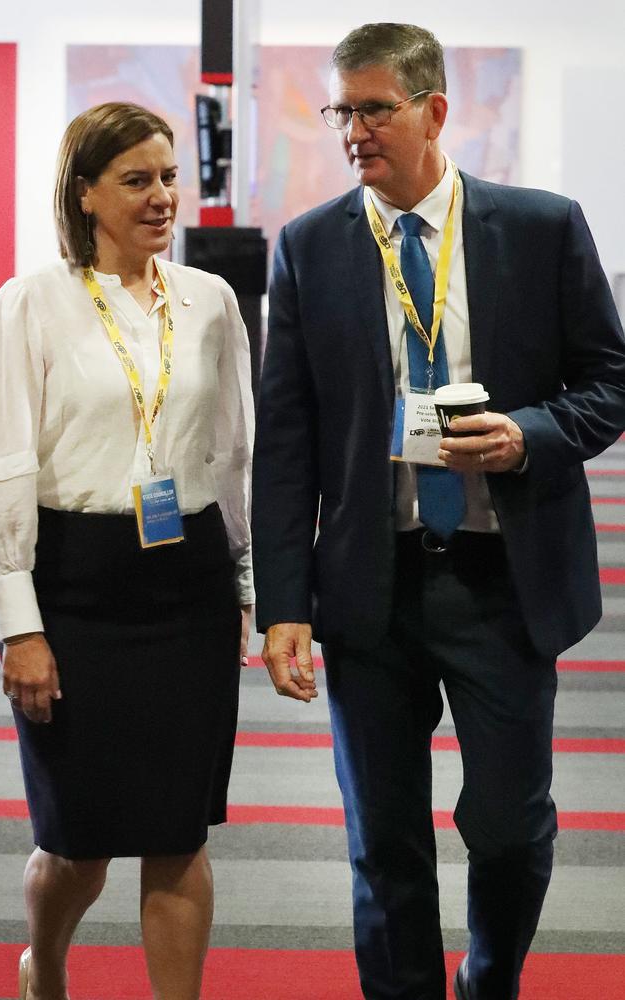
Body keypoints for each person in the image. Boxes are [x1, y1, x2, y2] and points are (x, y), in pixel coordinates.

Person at [252, 22, 625, 1000]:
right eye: (339, 109)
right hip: (368, 589)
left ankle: (486, 978)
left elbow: (609, 381)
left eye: (372, 108)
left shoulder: (541, 228)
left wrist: (527, 435)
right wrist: (281, 601)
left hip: (505, 581)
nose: (350, 130)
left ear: (433, 112)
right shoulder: (305, 248)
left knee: (508, 828)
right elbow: (285, 440)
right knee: (382, 843)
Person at [0, 102, 254, 1000]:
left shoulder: (209, 301)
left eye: (170, 176)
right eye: (136, 180)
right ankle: (46, 962)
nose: (161, 196)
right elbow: (2, 467)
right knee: (78, 840)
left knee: (180, 832)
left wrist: (248, 578)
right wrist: (19, 624)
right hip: (76, 588)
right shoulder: (30, 304)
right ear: (85, 193)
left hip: (189, 586)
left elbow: (231, 451)